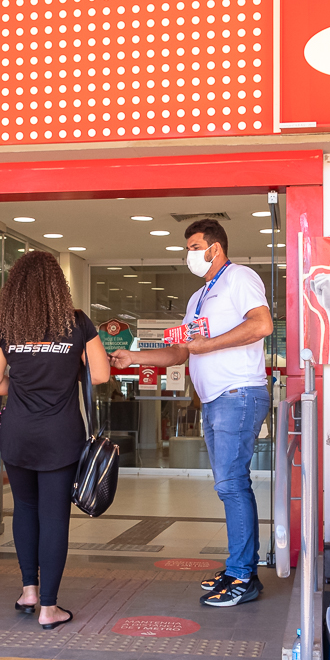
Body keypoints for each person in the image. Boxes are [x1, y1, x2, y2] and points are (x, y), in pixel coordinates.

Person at [110, 219, 273, 607]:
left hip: (239, 393)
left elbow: (262, 324)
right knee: (228, 484)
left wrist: (210, 345)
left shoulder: (239, 278)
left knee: (232, 484)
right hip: (217, 399)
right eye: (188, 248)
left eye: (195, 246)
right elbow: (183, 350)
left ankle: (242, 575)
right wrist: (135, 357)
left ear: (214, 248)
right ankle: (239, 566)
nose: (190, 255)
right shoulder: (199, 297)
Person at [0, 251, 109, 631]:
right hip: (61, 435)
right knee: (54, 517)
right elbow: (99, 375)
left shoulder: (6, 327)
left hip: (18, 433)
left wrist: (19, 393)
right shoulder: (77, 323)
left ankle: (29, 591)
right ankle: (50, 609)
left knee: (25, 509)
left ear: (15, 288)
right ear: (58, 284)